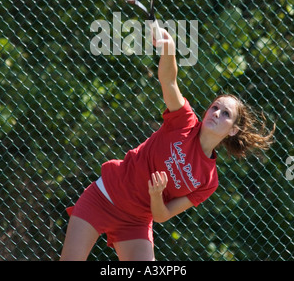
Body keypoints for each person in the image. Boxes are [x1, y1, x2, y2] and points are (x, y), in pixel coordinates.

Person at [60, 29, 275, 261]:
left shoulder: (208, 181)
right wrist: (169, 49)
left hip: (136, 221)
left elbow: (162, 216)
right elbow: (169, 81)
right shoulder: (183, 120)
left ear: (233, 130)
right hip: (104, 196)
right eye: (214, 107)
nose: (216, 113)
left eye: (225, 114)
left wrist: (156, 195)